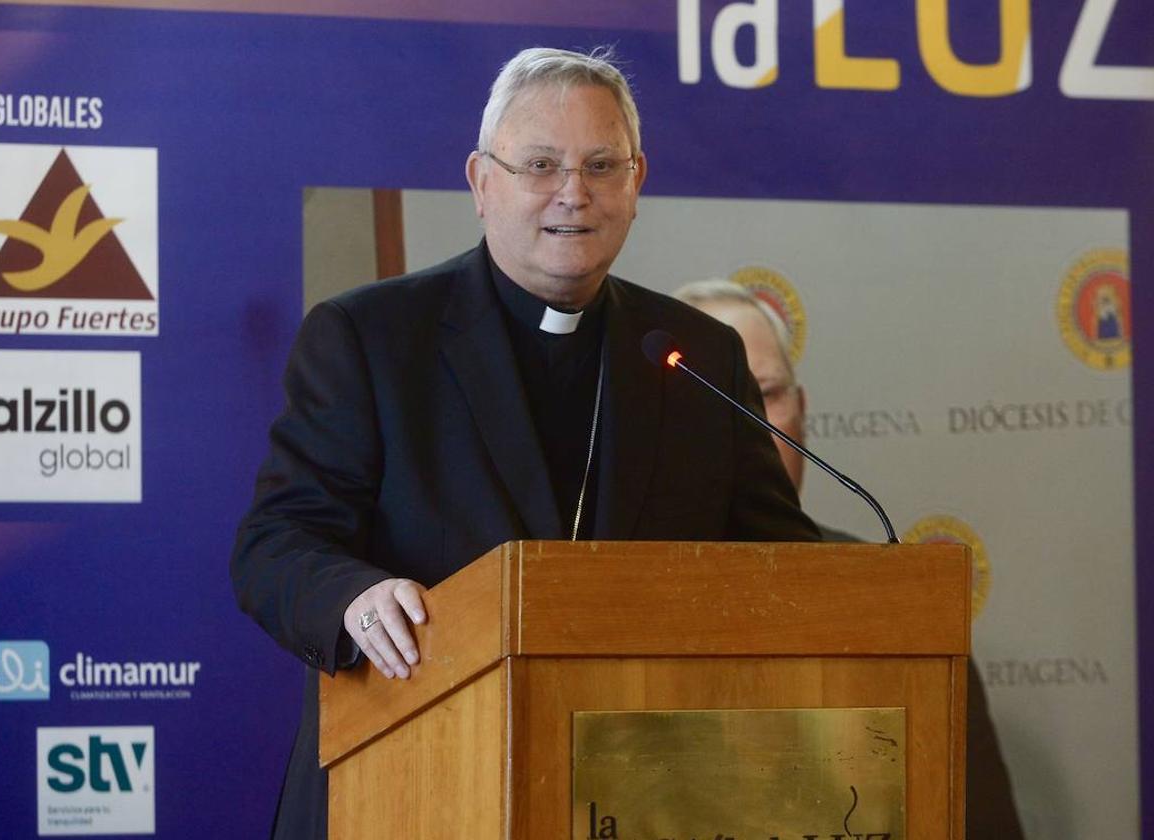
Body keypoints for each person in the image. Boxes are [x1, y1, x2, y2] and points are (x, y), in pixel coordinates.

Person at [232, 48, 819, 839]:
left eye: (601, 166)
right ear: (482, 182)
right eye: (541, 165)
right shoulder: (372, 338)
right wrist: (353, 598)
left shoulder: (695, 354)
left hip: (634, 792)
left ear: (636, 182)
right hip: (409, 780)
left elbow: (779, 561)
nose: (573, 194)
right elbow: (277, 542)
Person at [674, 277, 1027, 838]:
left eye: (763, 393)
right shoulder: (610, 600)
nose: (748, 425)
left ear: (803, 409)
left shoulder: (900, 605)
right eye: (716, 394)